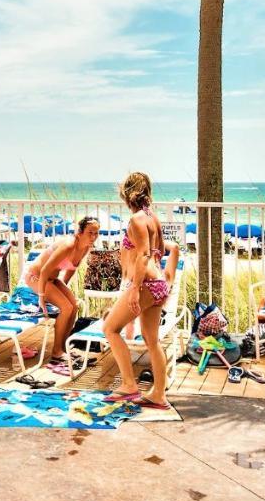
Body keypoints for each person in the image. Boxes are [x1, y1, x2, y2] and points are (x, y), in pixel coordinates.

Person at [102, 171, 171, 410]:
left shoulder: (136, 220)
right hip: (159, 284)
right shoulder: (154, 218)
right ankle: (158, 395)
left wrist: (134, 288)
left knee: (110, 328)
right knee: (152, 340)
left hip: (145, 285)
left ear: (128, 194)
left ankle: (129, 385)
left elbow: (142, 255)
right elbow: (160, 250)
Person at [23, 216, 99, 374]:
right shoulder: (68, 245)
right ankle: (56, 351)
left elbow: (71, 268)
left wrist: (64, 290)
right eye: (90, 232)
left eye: (96, 233)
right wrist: (42, 296)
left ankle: (64, 347)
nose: (93, 236)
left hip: (53, 279)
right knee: (65, 307)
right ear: (80, 232)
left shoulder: (85, 247)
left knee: (74, 305)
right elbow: (44, 270)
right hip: (37, 277)